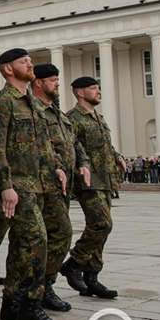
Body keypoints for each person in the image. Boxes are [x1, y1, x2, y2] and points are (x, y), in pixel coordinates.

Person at [0, 49, 65, 320]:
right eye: (23, 62)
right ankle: (32, 304)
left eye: (30, 61)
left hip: (39, 184)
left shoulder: (33, 102)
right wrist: (5, 185)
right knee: (36, 240)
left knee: (22, 246)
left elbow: (44, 144)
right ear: (8, 69)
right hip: (18, 185)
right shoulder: (1, 102)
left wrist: (57, 168)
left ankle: (12, 306)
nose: (30, 64)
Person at [30, 64, 92, 312]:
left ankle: (43, 285)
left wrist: (84, 163)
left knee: (56, 234)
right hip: (42, 182)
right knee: (58, 233)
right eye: (53, 80)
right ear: (39, 83)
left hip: (62, 185)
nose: (57, 84)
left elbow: (74, 143)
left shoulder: (56, 112)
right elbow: (39, 146)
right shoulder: (34, 110)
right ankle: (39, 287)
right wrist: (55, 166)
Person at [59, 77, 127, 299]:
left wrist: (117, 157)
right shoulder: (73, 119)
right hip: (88, 182)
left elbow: (105, 146)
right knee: (101, 224)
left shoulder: (98, 117)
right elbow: (70, 148)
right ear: (80, 93)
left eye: (98, 87)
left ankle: (92, 277)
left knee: (101, 229)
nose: (98, 90)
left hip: (105, 180)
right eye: (93, 88)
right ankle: (74, 263)